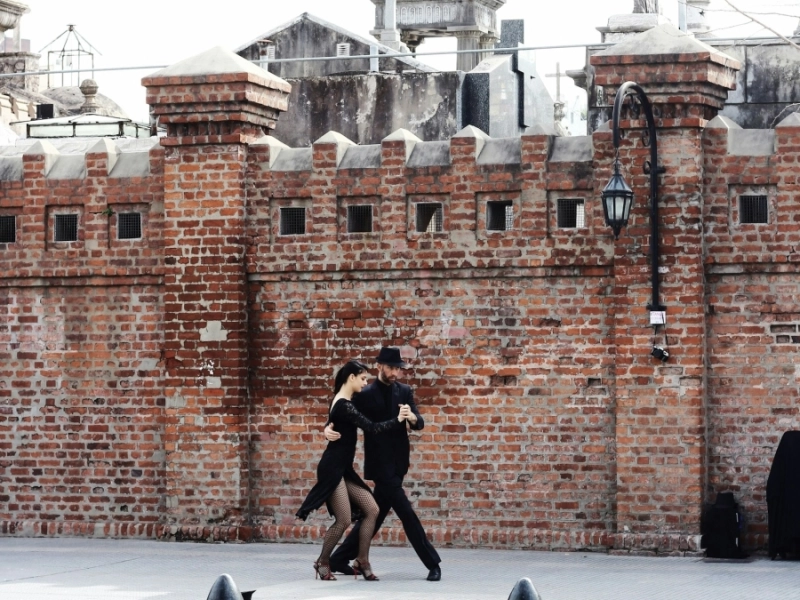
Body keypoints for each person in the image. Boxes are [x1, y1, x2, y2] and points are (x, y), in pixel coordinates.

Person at [326, 347, 442, 581]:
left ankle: (339, 559)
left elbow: (419, 423)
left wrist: (413, 418)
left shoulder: (405, 391)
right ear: (380, 366)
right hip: (380, 465)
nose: (395, 373)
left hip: (399, 464)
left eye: (398, 369)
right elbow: (341, 407)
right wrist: (327, 426)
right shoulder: (365, 393)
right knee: (407, 514)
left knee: (374, 515)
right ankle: (433, 563)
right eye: (391, 368)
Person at [296, 360, 407, 581]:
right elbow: (372, 428)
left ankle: (362, 560)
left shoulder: (342, 399)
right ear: (352, 378)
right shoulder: (345, 405)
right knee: (344, 519)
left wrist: (326, 427)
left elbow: (333, 420)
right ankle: (323, 562)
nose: (366, 383)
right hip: (332, 468)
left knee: (372, 510)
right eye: (363, 378)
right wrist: (398, 420)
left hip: (342, 468)